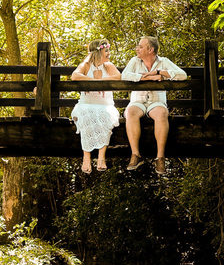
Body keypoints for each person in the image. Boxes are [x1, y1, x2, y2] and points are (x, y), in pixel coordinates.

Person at [121, 35, 187, 175]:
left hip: (156, 101)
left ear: (150, 49)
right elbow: (125, 75)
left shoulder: (164, 61)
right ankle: (135, 155)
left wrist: (159, 72)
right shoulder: (135, 61)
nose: (137, 49)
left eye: (141, 46)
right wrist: (148, 77)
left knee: (161, 113)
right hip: (138, 101)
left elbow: (183, 75)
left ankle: (160, 157)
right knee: (131, 112)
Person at [70, 38, 121, 174]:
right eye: (106, 51)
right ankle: (86, 158)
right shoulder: (86, 65)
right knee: (86, 116)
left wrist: (101, 81)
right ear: (98, 52)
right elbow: (75, 76)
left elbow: (118, 77)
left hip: (105, 105)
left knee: (106, 117)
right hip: (86, 104)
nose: (109, 53)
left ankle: (101, 157)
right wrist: (92, 81)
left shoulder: (108, 66)